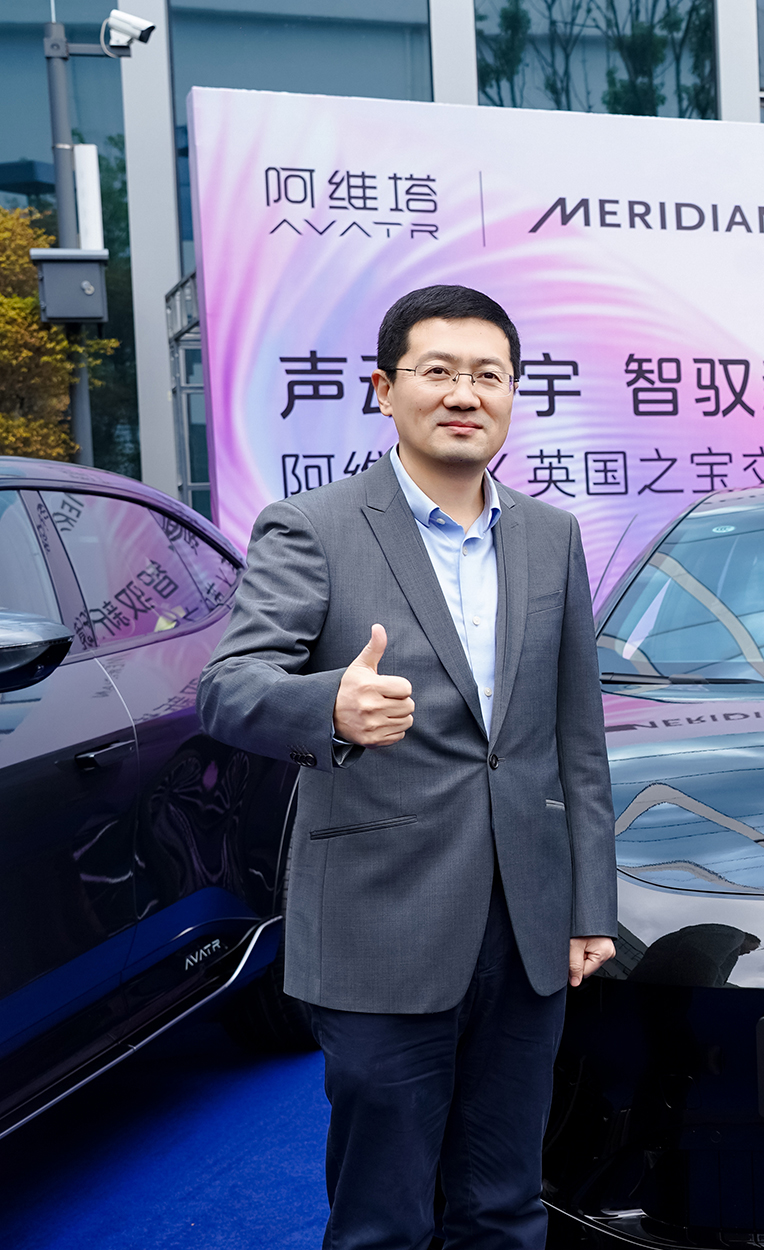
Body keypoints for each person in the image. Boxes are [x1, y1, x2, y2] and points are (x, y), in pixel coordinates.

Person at [199, 284, 616, 1250]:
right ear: (385, 390)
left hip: (526, 925)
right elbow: (229, 688)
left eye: (489, 375)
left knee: (505, 1208)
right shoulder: (313, 526)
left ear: (513, 395)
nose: (465, 394)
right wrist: (329, 706)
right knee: (382, 1219)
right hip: (379, 923)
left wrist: (589, 905)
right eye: (439, 372)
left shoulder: (550, 536)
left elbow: (576, 739)